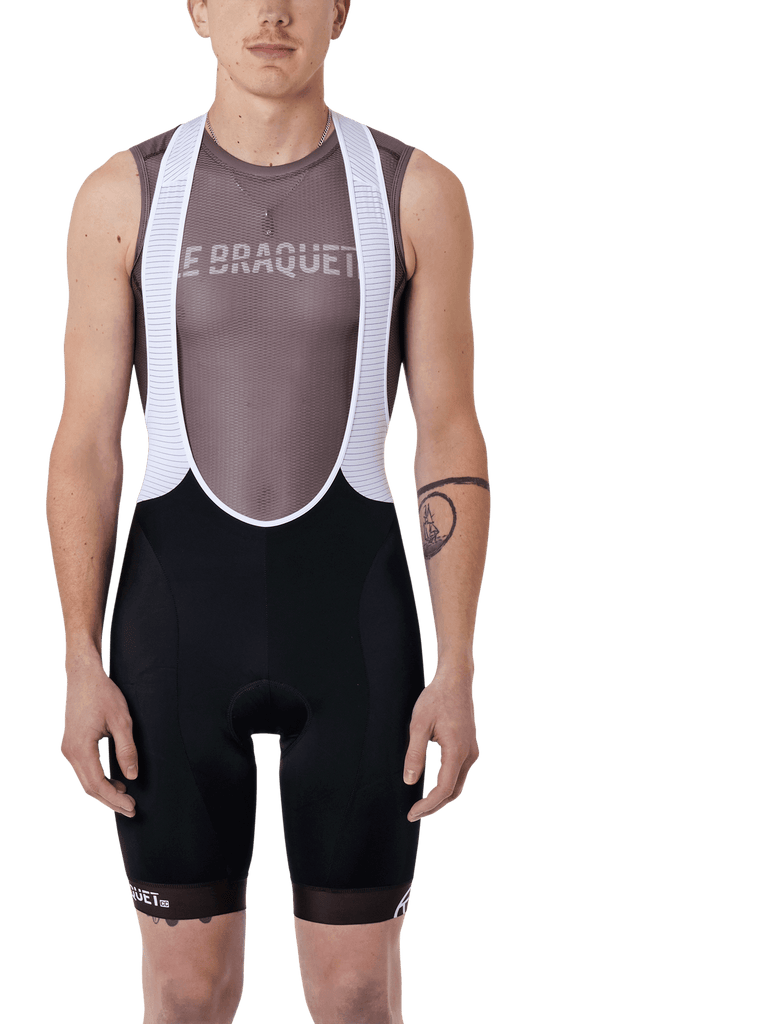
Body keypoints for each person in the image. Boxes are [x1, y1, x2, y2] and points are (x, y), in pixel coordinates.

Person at [45, 2, 490, 1021]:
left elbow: (450, 434)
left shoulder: (415, 191)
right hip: (173, 633)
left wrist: (460, 661)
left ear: (340, 11)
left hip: (355, 631)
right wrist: (77, 656)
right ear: (199, 9)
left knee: (355, 993)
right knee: (184, 992)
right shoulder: (124, 193)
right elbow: (85, 442)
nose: (273, 13)